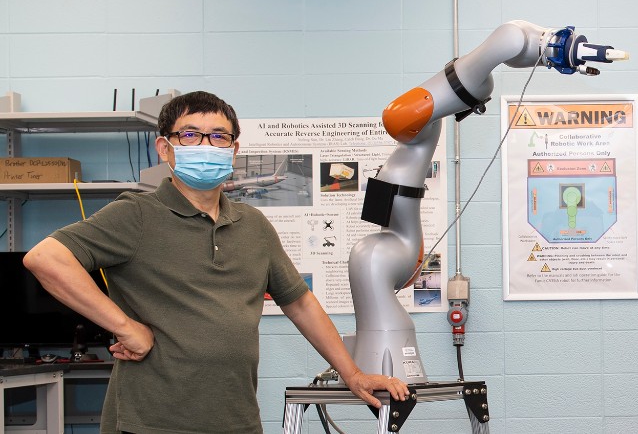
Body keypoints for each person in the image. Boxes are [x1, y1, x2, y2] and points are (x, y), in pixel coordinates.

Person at [23, 91, 409, 434]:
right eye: (190, 135)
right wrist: (124, 327)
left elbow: (301, 303)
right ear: (164, 147)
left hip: (235, 418)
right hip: (150, 422)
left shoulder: (253, 225)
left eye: (219, 136)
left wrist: (352, 374)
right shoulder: (136, 215)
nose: (205, 145)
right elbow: (46, 258)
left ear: (234, 149)